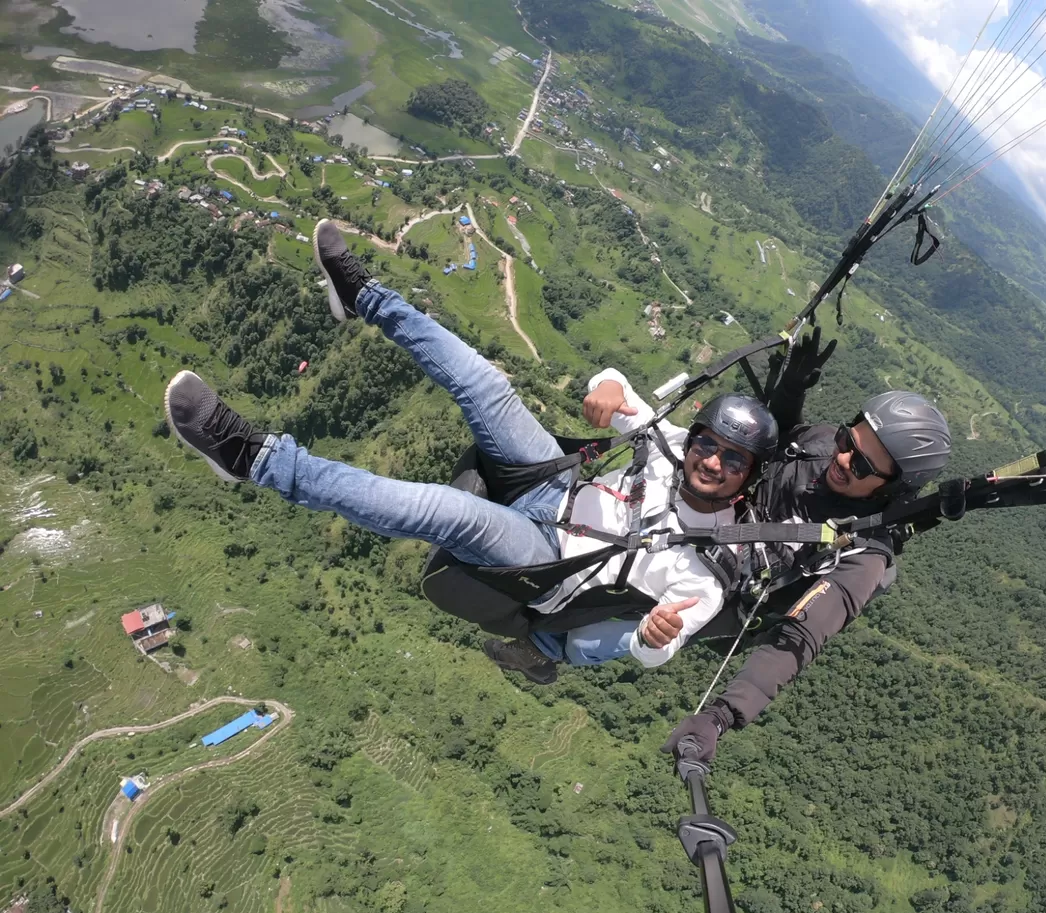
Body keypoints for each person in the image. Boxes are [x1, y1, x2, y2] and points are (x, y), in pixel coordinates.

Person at [162, 219, 778, 684]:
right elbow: (610, 387)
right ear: (696, 435)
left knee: (443, 512)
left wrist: (652, 633)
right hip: (556, 488)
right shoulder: (672, 444)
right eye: (710, 445)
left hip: (551, 563)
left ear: (747, 479)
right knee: (486, 383)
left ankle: (253, 458)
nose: (712, 463)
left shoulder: (706, 575)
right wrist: (608, 386)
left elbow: (651, 651)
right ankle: (364, 297)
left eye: (732, 461)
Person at [575, 336, 952, 769]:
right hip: (702, 514)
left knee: (584, 636)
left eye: (863, 465)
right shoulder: (826, 445)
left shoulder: (863, 555)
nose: (843, 458)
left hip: (716, 590)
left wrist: (720, 716)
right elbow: (778, 439)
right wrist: (791, 388)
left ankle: (549, 647)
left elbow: (800, 638)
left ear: (893, 487)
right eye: (849, 439)